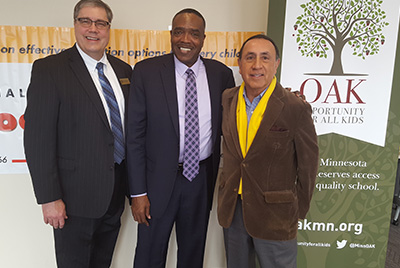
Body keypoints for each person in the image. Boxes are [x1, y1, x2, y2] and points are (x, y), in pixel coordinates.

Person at [23, 0, 132, 267]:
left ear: (108, 28)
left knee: (102, 262)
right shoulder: (50, 70)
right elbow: (38, 139)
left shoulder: (123, 71)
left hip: (115, 195)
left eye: (100, 23)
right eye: (85, 21)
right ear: (75, 24)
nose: (92, 29)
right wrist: (49, 198)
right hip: (72, 201)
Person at [126, 8, 235, 268]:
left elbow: (242, 113)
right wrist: (138, 193)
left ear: (203, 39)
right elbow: (134, 135)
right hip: (156, 184)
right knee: (149, 255)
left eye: (194, 33)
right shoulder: (146, 71)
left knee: (193, 254)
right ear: (171, 34)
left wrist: (287, 97)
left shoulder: (221, 75)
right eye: (179, 32)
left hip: (200, 179)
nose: (185, 39)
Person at [217, 34, 319, 268]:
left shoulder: (295, 107)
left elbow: (308, 165)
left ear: (276, 64)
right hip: (234, 209)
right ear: (240, 64)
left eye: (265, 58)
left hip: (276, 215)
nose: (257, 65)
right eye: (249, 58)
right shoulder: (228, 98)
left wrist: (295, 212)